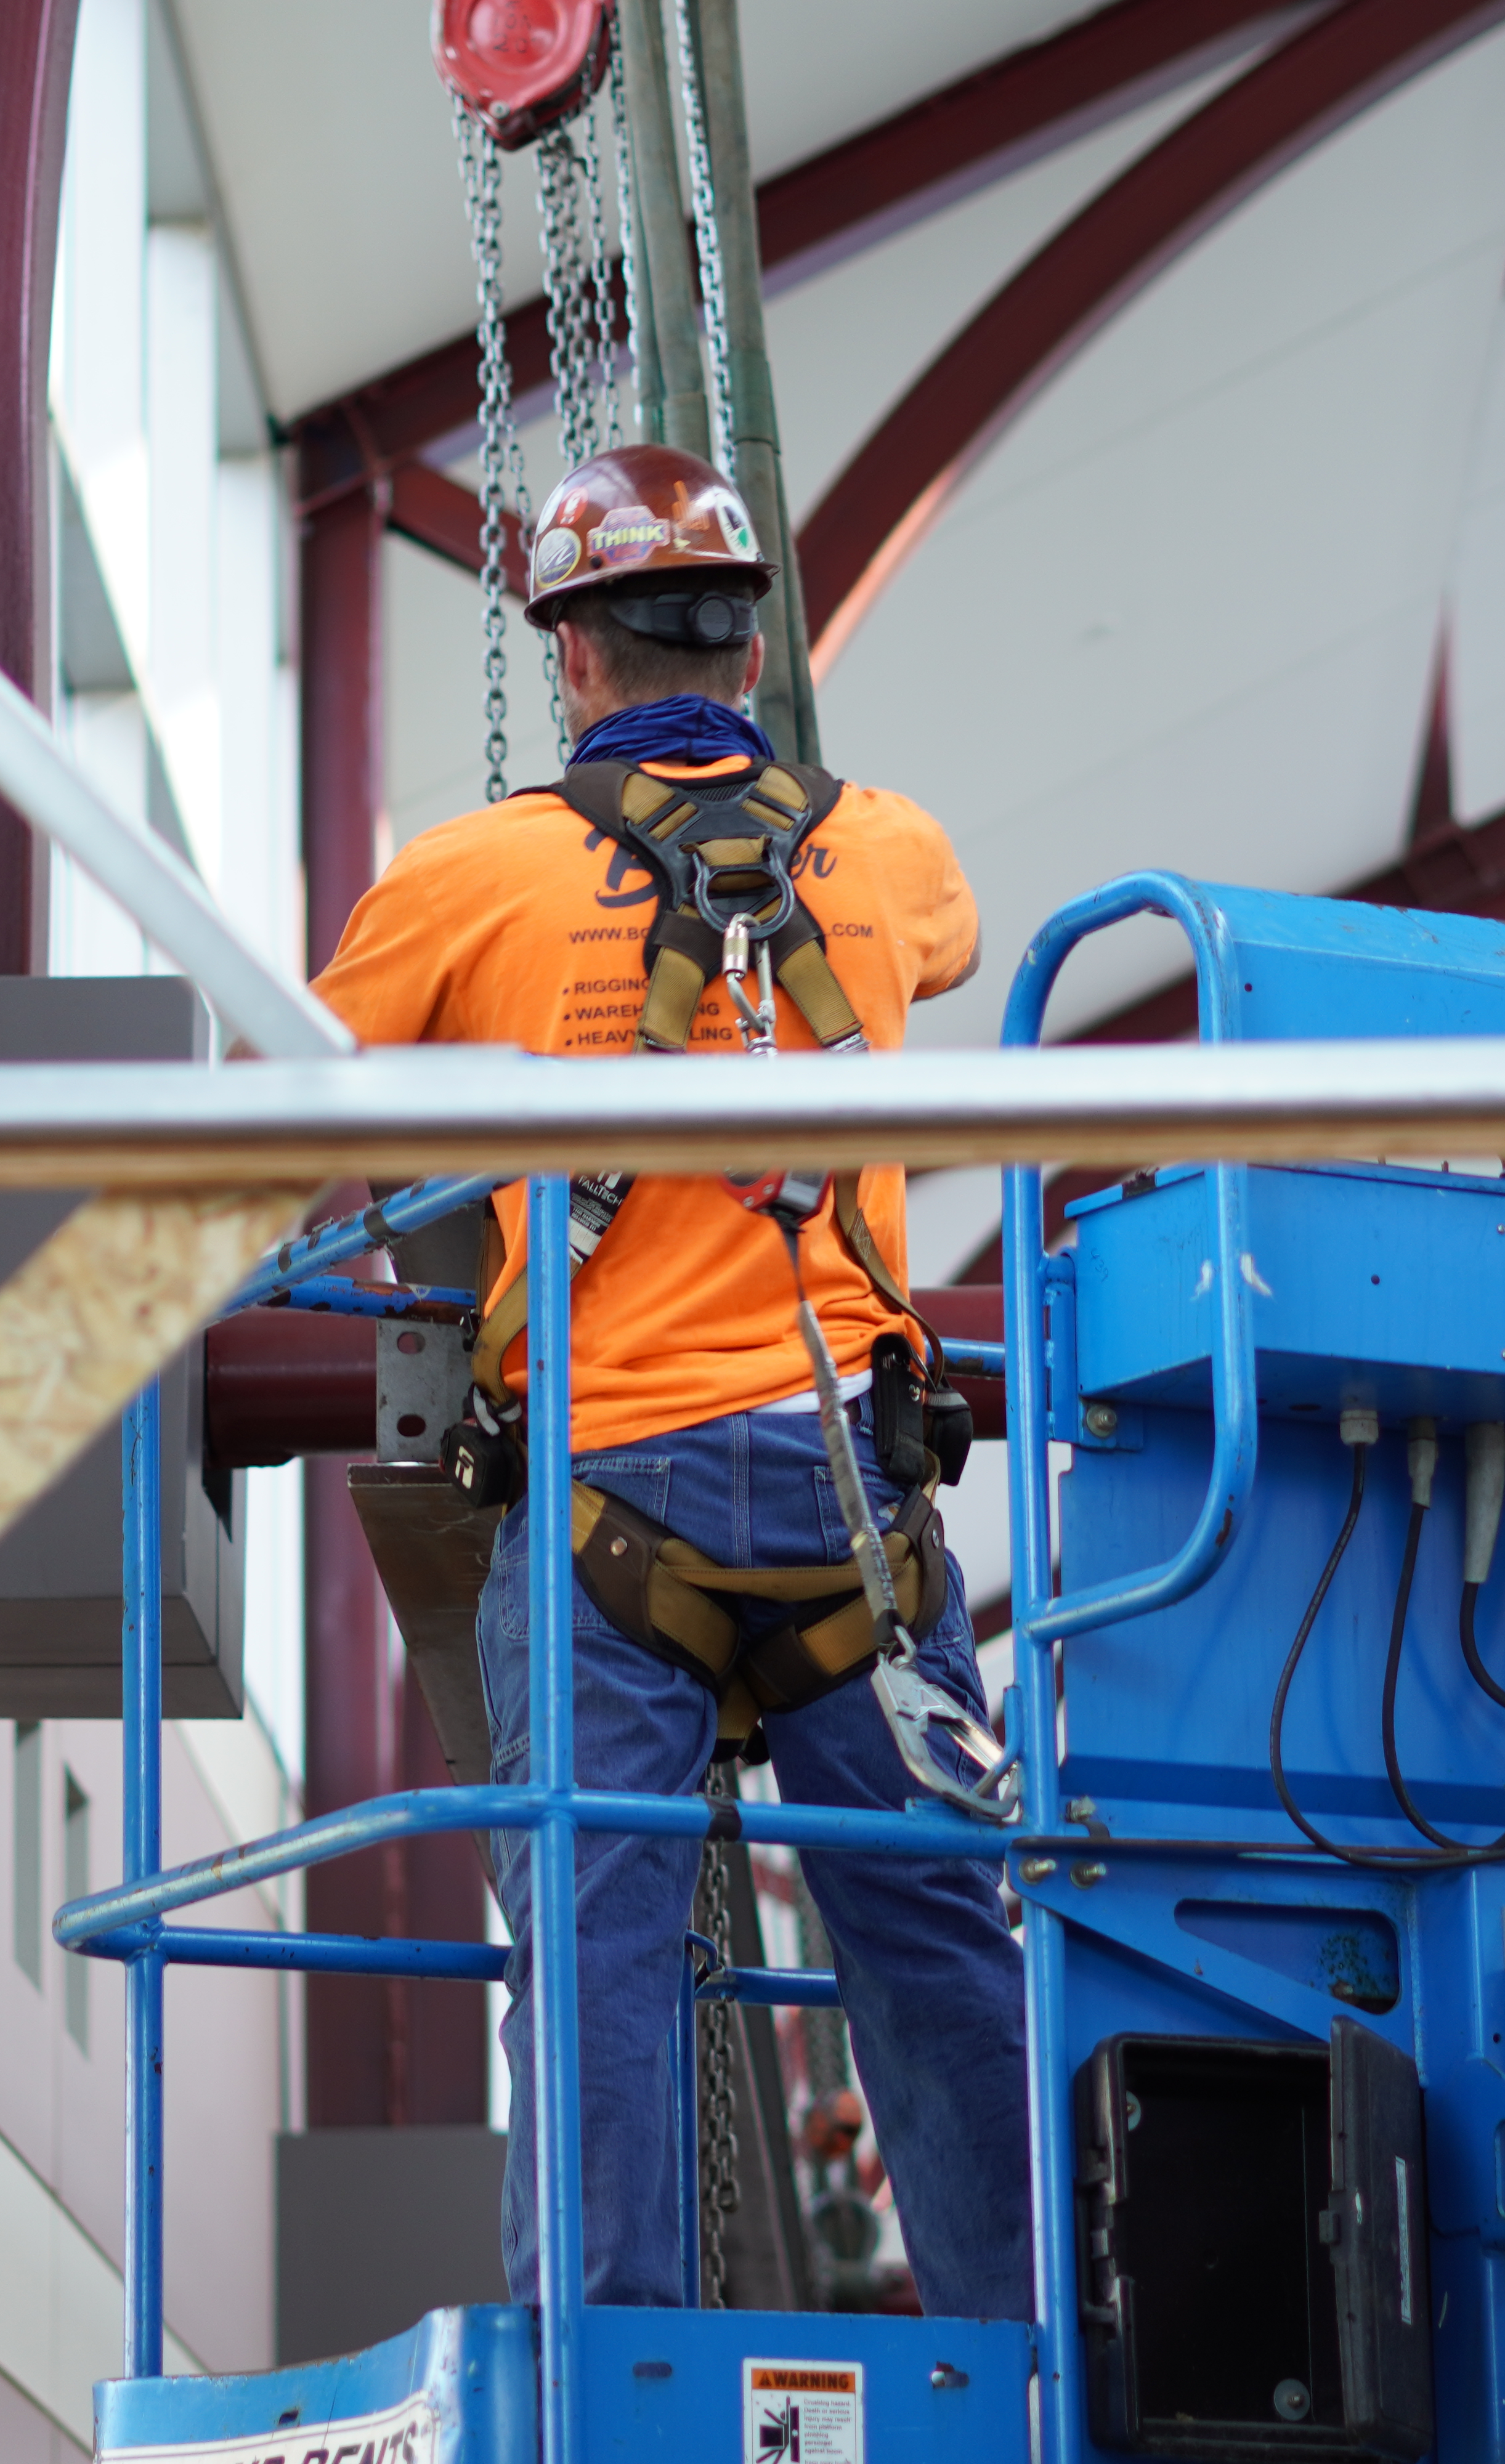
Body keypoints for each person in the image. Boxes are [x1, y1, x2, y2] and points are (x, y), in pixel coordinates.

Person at [309, 442, 1031, 2320]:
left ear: (573, 659)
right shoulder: (889, 849)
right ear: (749, 634)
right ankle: (1036, 2368)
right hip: (854, 1506)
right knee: (942, 1952)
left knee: (600, 1963)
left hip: (608, 1506)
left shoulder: (462, 885)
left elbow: (286, 1101)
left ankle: (601, 2395)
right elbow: (943, 951)